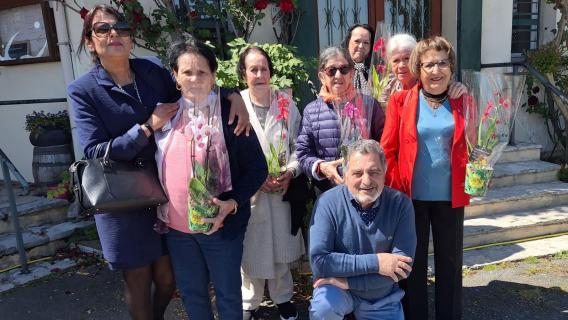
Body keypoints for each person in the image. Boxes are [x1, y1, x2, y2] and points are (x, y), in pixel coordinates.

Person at [67, 5, 249, 319]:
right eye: (103, 29)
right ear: (90, 41)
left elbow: (192, 86)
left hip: (163, 196)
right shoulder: (83, 90)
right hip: (121, 200)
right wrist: (146, 128)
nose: (114, 34)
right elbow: (95, 151)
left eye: (121, 27)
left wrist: (233, 96)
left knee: (168, 280)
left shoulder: (150, 71)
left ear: (131, 36)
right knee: (138, 283)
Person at [156, 38, 267, 320]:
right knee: (193, 295)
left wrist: (231, 202)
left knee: (229, 296)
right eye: (187, 72)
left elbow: (257, 168)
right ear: (175, 76)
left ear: (214, 75)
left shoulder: (231, 115)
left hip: (221, 228)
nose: (195, 79)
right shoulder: (163, 115)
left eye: (202, 72)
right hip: (178, 231)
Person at [380, 36, 470, 320]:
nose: (436, 70)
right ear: (418, 69)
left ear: (451, 67)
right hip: (411, 198)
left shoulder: (462, 100)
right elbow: (387, 150)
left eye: (442, 63)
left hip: (450, 197)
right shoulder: (401, 100)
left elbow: (478, 145)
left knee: (450, 264)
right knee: (412, 265)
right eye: (428, 64)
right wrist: (395, 192)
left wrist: (466, 99)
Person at [308, 139, 416, 320]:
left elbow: (401, 269)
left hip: (381, 297)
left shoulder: (401, 204)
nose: (366, 181)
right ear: (345, 173)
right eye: (357, 173)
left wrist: (347, 282)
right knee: (323, 308)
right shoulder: (327, 203)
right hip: (337, 293)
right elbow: (320, 261)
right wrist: (377, 263)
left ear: (385, 172)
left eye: (374, 172)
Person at [237, 46, 306, 320]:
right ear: (244, 74)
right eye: (253, 69)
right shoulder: (236, 104)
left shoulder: (287, 105)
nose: (259, 74)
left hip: (281, 189)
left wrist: (290, 171)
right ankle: (249, 302)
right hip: (250, 192)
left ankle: (283, 298)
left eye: (263, 68)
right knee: (251, 247)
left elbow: (299, 145)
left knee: (279, 248)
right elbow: (230, 151)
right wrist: (254, 178)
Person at [296, 46, 385, 193]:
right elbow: (303, 153)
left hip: (367, 189)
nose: (338, 75)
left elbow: (384, 145)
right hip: (329, 191)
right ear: (321, 76)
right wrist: (322, 167)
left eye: (343, 69)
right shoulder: (312, 111)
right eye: (331, 70)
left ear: (351, 73)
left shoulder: (369, 105)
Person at [380, 33, 467, 106]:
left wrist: (461, 91)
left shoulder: (432, 82)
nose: (401, 65)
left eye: (407, 58)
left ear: (416, 60)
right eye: (396, 60)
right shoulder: (388, 87)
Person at [342, 24, 375, 94]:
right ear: (348, 43)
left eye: (366, 43)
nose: (361, 46)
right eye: (357, 41)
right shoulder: (338, 69)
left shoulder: (375, 71)